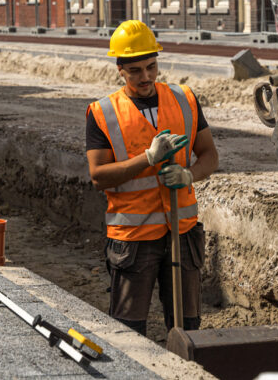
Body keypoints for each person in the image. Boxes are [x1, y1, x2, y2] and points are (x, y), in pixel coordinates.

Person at [85, 20, 219, 337]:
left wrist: (188, 174)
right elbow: (98, 177)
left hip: (182, 233)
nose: (145, 77)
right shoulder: (103, 112)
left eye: (151, 67)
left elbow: (210, 156)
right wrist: (147, 158)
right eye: (135, 71)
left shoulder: (184, 99)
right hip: (133, 239)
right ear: (120, 69)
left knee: (188, 329)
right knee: (128, 331)